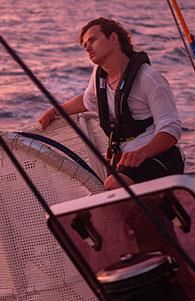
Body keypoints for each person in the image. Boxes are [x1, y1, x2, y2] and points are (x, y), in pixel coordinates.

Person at [38, 18, 184, 190]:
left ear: (113, 38)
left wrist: (141, 153)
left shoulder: (148, 78)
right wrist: (55, 111)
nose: (87, 47)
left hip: (160, 158)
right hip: (124, 161)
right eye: (85, 44)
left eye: (93, 40)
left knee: (114, 186)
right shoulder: (99, 75)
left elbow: (171, 130)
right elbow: (88, 100)